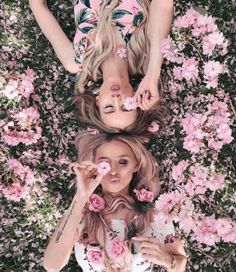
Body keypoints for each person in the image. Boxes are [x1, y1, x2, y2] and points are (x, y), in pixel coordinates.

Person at [43, 132, 187, 271]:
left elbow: (180, 261)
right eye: (105, 163)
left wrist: (168, 261)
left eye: (122, 162)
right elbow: (52, 265)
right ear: (95, 166)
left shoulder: (155, 216)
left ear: (136, 165)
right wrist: (81, 196)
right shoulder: (81, 213)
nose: (113, 171)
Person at [29, 0, 174, 134]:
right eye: (125, 106)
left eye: (109, 107)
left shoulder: (75, 61)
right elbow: (163, 4)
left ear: (98, 101)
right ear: (136, 96)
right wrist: (152, 75)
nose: (116, 98)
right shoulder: (147, 55)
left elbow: (37, 5)